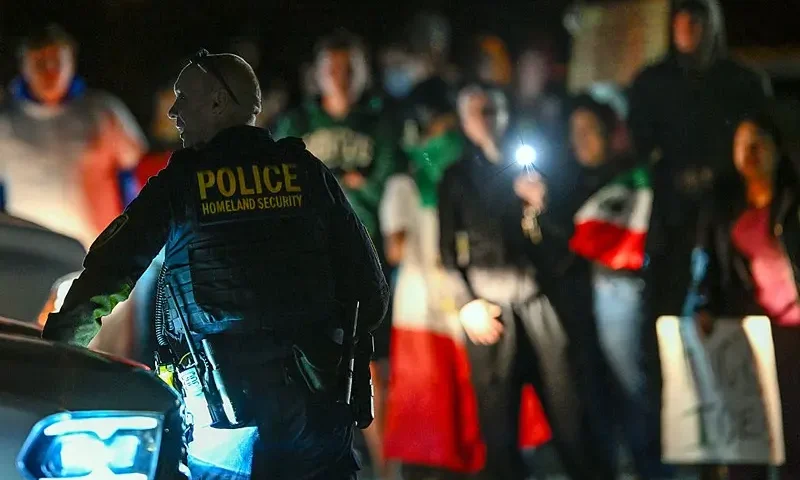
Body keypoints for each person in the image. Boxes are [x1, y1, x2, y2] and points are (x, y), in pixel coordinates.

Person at [42, 50, 389, 480]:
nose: (173, 111)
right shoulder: (306, 172)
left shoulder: (183, 183)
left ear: (218, 104)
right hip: (318, 422)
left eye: (183, 98)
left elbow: (109, 272)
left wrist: (53, 353)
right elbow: (370, 296)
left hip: (227, 429)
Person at [438, 84, 608, 480]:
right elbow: (446, 253)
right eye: (477, 111)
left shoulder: (536, 170)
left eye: (493, 109)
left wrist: (542, 207)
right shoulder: (457, 178)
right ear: (464, 122)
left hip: (539, 301)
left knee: (571, 414)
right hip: (490, 308)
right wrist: (466, 304)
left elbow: (566, 242)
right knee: (498, 428)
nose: (487, 118)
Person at [272, 30, 399, 476]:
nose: (341, 79)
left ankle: (385, 469)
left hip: (368, 259)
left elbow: (391, 184)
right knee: (312, 366)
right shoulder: (294, 124)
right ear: (317, 74)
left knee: (373, 369)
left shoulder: (381, 122)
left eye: (350, 69)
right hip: (310, 263)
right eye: (332, 69)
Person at [627, 0, 773, 320]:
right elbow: (637, 151)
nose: (687, 26)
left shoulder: (743, 82)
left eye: (696, 18)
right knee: (668, 315)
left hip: (731, 214)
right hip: (670, 221)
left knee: (731, 314)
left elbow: (763, 145)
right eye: (681, 18)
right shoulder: (652, 84)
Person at [563, 94, 673, 479]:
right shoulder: (573, 180)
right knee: (597, 391)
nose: (580, 140)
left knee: (633, 390)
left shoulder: (630, 179)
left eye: (589, 130)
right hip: (584, 297)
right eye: (573, 131)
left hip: (620, 291)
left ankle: (650, 468)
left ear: (611, 133)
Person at [698, 112, 800, 480]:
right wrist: (706, 306)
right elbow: (709, 263)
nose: (750, 151)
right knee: (747, 429)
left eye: (759, 141)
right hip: (748, 329)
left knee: (793, 427)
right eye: (742, 143)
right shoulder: (723, 204)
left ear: (777, 148)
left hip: (793, 330)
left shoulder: (793, 198)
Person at [0, 23, 147, 248]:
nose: (50, 69)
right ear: (24, 66)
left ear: (72, 62)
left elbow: (140, 171)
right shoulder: (5, 121)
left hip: (99, 254)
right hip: (32, 257)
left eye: (57, 60)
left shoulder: (103, 111)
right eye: (39, 62)